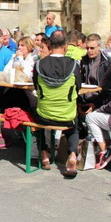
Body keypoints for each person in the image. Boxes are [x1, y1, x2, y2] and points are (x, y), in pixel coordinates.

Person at [33, 31, 81, 178]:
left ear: (50, 45)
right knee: (74, 125)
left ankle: (44, 153)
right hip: (66, 114)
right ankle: (72, 154)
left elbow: (36, 87)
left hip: (45, 114)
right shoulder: (73, 65)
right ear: (65, 46)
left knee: (35, 115)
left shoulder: (39, 65)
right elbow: (78, 88)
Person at [79, 34, 111, 110]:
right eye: (87, 48)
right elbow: (81, 80)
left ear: (99, 47)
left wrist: (96, 104)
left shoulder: (107, 62)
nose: (89, 51)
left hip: (100, 99)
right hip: (84, 97)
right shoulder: (84, 60)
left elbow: (109, 87)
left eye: (92, 48)